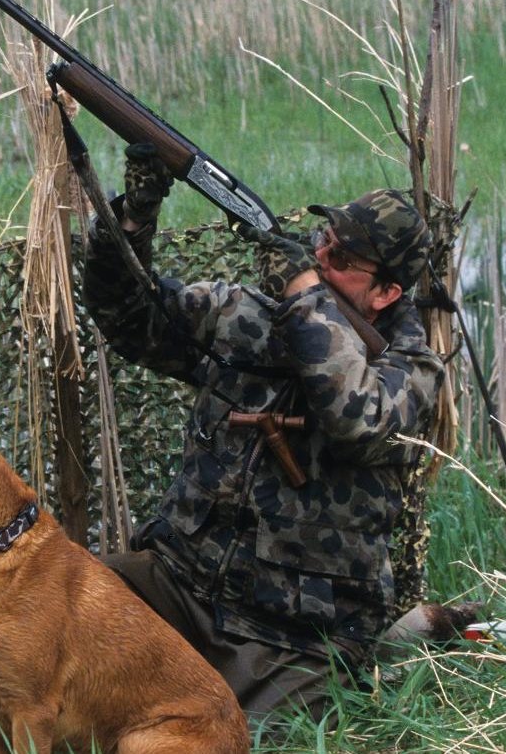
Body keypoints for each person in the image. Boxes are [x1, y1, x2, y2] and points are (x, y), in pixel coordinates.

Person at [86, 143, 445, 722]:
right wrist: (137, 208)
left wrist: (303, 293)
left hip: (291, 638)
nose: (321, 254)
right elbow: (126, 315)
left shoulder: (412, 371)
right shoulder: (247, 315)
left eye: (343, 256)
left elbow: (356, 420)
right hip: (180, 587)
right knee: (58, 602)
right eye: (323, 239)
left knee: (225, 733)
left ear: (386, 294)